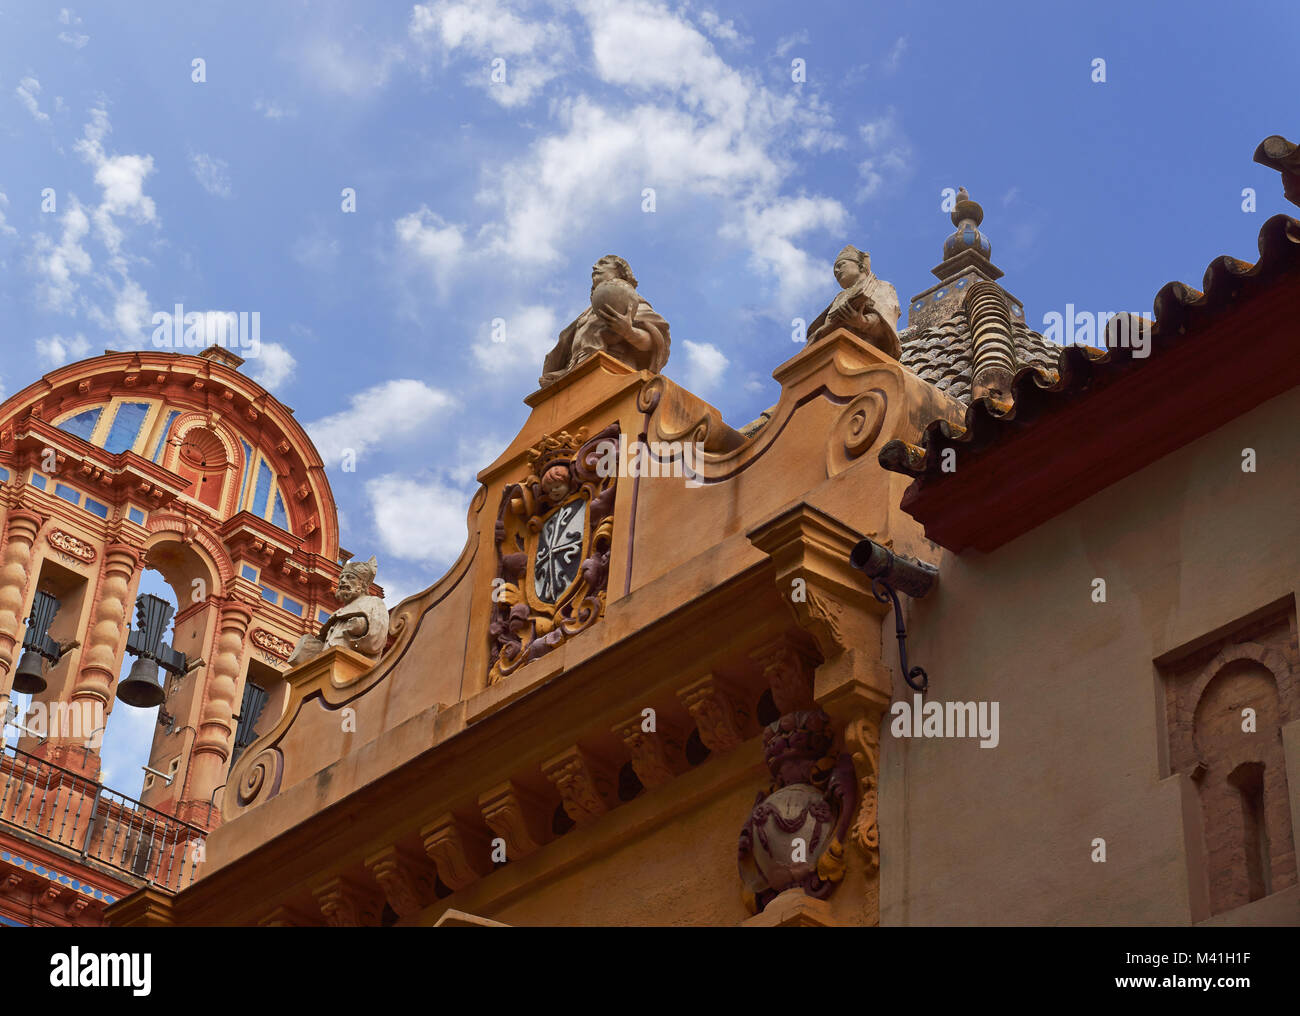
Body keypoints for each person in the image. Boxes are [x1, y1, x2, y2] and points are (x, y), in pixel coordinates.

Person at [539, 255, 670, 387]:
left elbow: (653, 342)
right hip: (578, 374)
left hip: (613, 372)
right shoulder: (587, 313)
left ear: (619, 272)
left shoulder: (630, 302)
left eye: (603, 263)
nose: (595, 267)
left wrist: (628, 332)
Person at [807, 245, 902, 358]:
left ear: (861, 266)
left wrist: (862, 321)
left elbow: (887, 320)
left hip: (863, 350)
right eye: (834, 271)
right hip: (833, 351)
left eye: (841, 265)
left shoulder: (882, 287)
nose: (837, 271)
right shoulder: (839, 297)